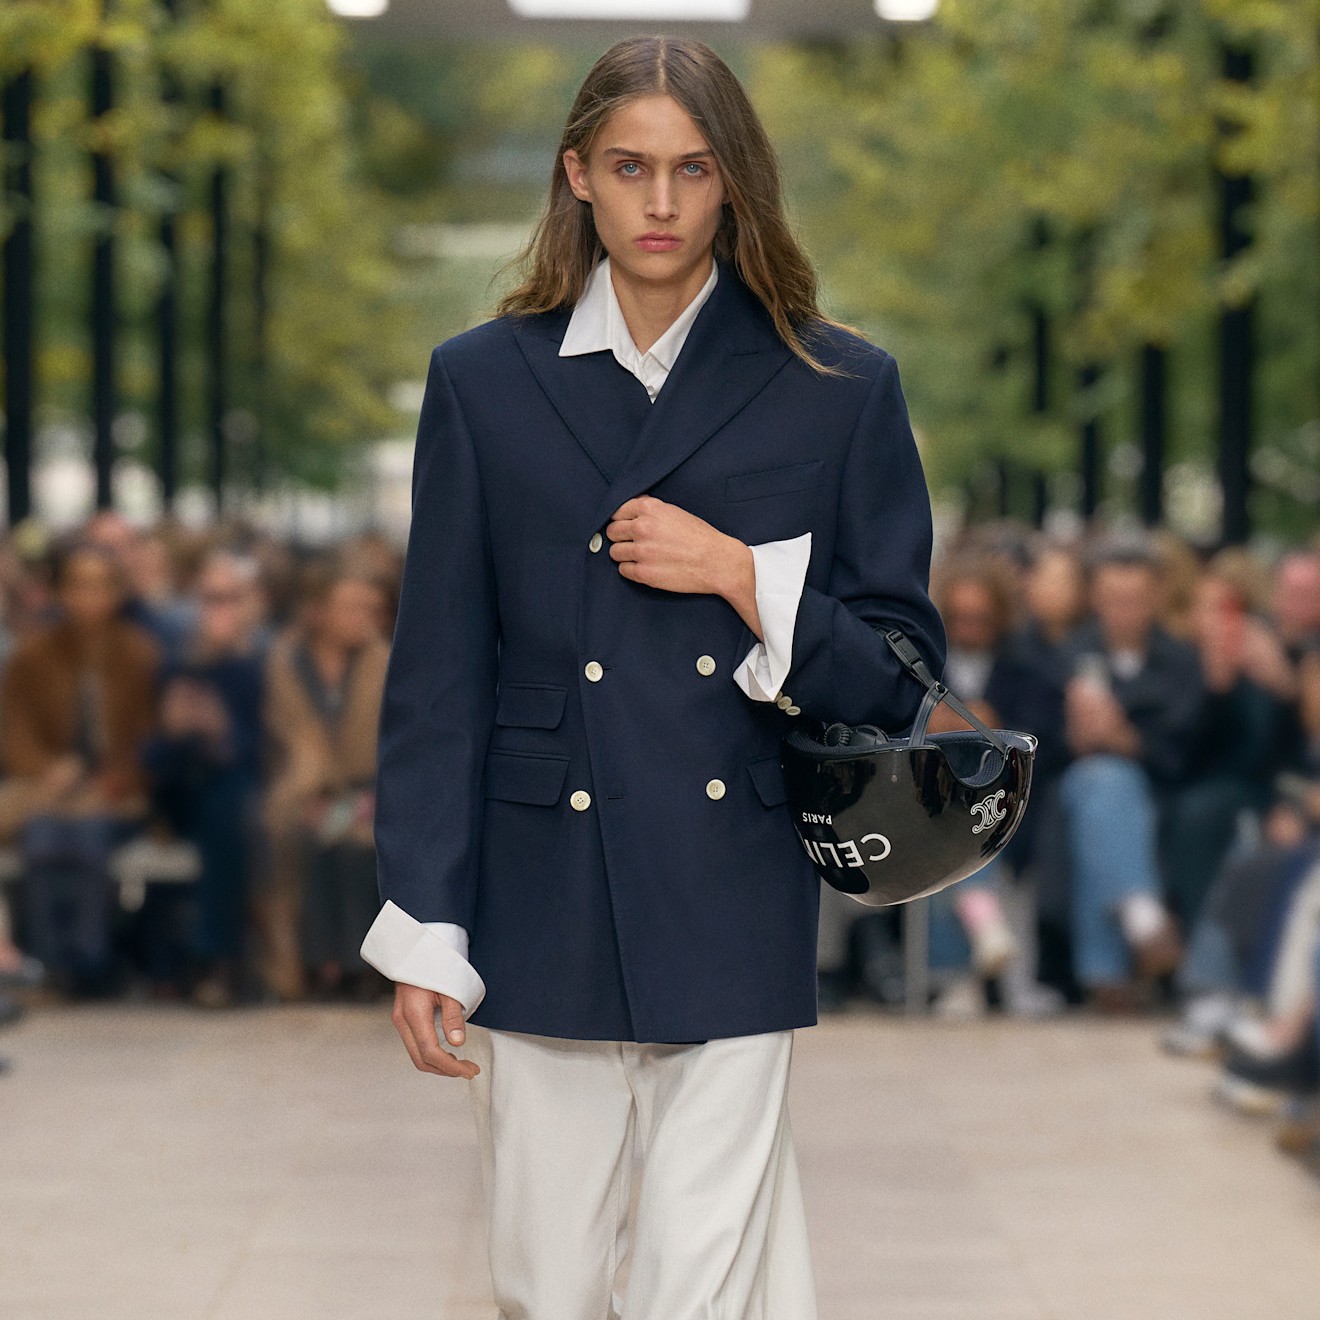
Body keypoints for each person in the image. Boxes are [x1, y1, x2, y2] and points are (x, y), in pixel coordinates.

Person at [359, 36, 945, 1320]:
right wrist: (423, 928)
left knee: (698, 1287)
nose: (663, 204)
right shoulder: (481, 380)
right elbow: (440, 675)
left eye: (692, 170)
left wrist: (744, 576)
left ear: (735, 183)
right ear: (578, 176)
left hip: (732, 889)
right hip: (534, 891)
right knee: (544, 1284)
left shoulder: (837, 386)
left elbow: (902, 677)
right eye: (631, 168)